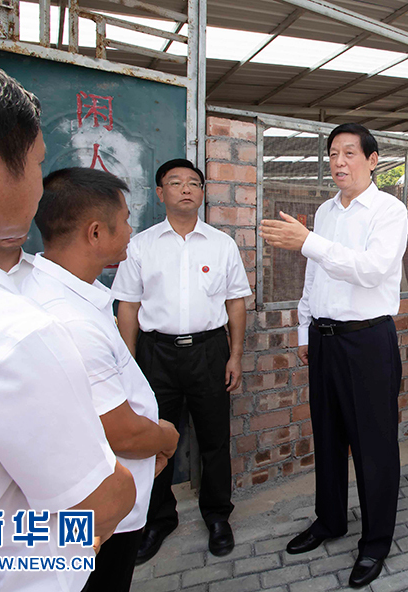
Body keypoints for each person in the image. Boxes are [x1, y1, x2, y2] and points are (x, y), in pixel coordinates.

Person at [0, 51, 135, 591]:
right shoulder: (8, 331)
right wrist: (129, 482)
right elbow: (99, 501)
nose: (39, 186)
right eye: (36, 163)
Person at [259, 123, 407, 589]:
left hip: (367, 341)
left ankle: (376, 541)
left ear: (372, 160)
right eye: (333, 154)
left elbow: (372, 270)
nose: (339, 162)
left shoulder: (389, 210)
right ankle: (330, 520)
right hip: (323, 339)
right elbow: (315, 275)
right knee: (327, 435)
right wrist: (304, 328)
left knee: (373, 445)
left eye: (349, 153)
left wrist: (308, 241)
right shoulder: (325, 211)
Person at [22, 167, 181, 591]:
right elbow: (122, 432)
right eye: (125, 220)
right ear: (95, 232)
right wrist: (165, 437)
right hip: (102, 509)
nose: (131, 230)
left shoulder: (60, 291)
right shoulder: (71, 320)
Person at [112, 158, 251, 562]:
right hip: (157, 354)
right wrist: (130, 363)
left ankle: (218, 516)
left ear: (202, 192)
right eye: (175, 183)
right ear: (160, 193)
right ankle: (158, 519)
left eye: (194, 183)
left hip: (210, 352)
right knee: (153, 439)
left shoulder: (222, 245)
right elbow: (128, 306)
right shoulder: (141, 245)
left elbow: (236, 303)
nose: (186, 188)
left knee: (214, 439)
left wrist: (235, 355)